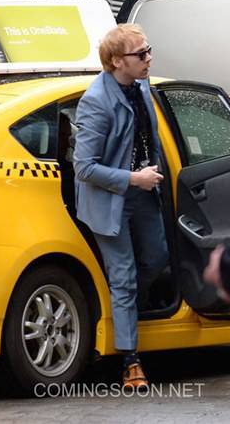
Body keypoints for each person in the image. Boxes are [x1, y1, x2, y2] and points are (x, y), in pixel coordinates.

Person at [73, 23, 169, 391]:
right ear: (117, 61)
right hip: (110, 199)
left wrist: (151, 177)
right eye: (141, 54)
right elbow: (84, 167)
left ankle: (123, 307)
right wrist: (134, 179)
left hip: (145, 192)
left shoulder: (142, 86)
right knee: (125, 276)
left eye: (149, 50)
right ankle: (131, 361)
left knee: (158, 258)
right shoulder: (96, 100)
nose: (149, 58)